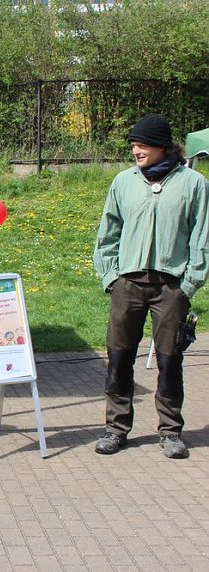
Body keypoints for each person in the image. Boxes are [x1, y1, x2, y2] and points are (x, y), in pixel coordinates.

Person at [92, 114, 209, 459]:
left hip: (170, 287)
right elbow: (107, 233)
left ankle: (171, 431)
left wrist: (187, 285)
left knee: (170, 361)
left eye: (141, 144)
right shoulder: (123, 182)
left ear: (161, 146)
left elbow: (202, 238)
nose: (135, 150)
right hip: (127, 284)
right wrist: (111, 276)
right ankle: (116, 428)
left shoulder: (193, 184)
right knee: (118, 358)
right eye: (133, 144)